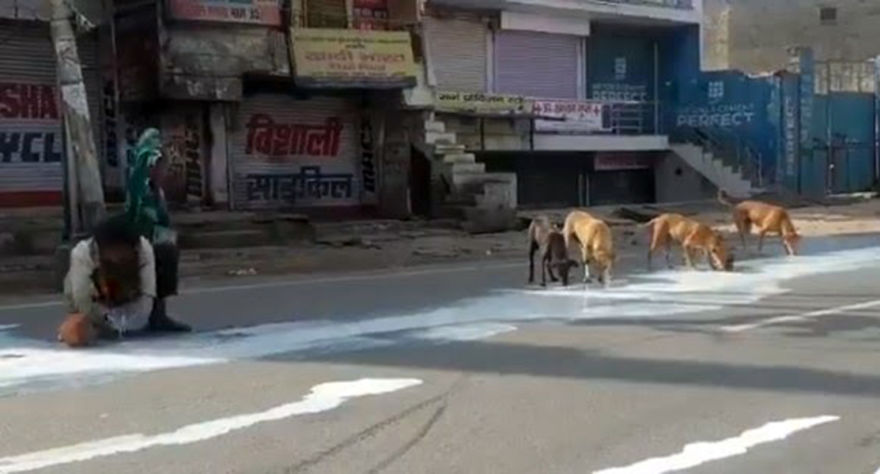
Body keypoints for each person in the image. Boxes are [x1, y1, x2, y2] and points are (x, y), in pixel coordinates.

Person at [124, 128, 191, 332]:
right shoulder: (139, 189)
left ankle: (158, 314)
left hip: (154, 242)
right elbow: (134, 218)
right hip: (136, 242)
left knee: (167, 252)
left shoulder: (158, 192)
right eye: (159, 166)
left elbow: (163, 222)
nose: (163, 171)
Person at [63, 216, 157, 338]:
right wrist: (103, 320)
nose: (117, 256)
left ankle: (159, 317)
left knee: (165, 252)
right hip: (98, 296)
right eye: (114, 251)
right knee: (71, 284)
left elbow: (147, 292)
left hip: (126, 289)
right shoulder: (83, 253)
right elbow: (82, 297)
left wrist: (137, 320)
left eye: (122, 252)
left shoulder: (144, 249)